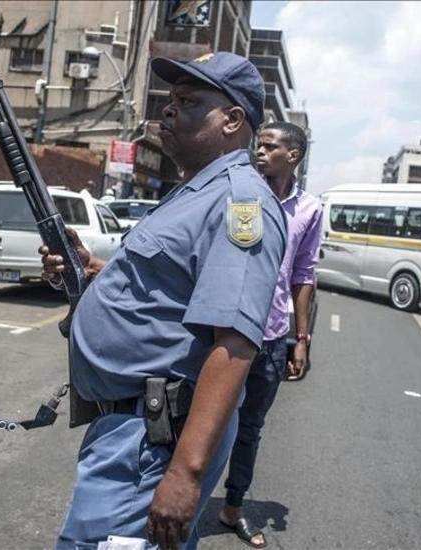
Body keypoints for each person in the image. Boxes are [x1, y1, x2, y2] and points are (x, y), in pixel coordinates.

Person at [40, 52, 288, 550]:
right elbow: (168, 288)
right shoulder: (194, 192)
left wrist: (185, 474)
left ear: (232, 119)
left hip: (154, 441)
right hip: (131, 430)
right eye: (170, 100)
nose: (169, 111)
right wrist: (91, 271)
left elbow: (235, 345)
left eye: (189, 102)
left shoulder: (241, 201)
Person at [218, 121, 322, 548]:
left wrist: (301, 339)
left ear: (292, 155)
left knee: (250, 426)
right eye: (257, 145)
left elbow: (304, 275)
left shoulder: (310, 209)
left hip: (274, 334)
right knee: (194, 415)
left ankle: (232, 506)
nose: (259, 152)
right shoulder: (239, 193)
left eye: (269, 146)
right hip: (226, 328)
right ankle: (178, 493)